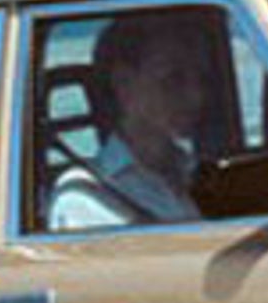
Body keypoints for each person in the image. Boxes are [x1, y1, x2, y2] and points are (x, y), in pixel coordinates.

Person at [46, 17, 213, 228]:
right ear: (124, 84)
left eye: (201, 79)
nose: (196, 96)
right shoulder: (84, 199)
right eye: (172, 80)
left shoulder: (196, 174)